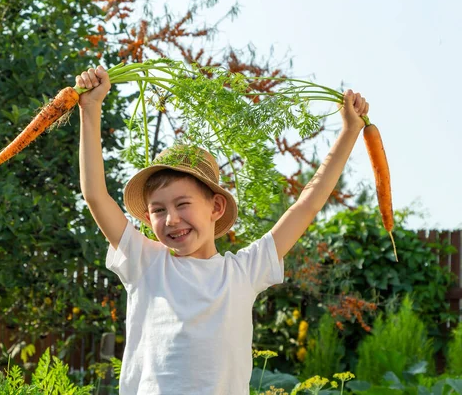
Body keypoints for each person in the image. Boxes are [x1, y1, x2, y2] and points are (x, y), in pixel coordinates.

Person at [76, 65, 369, 394]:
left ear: (216, 207)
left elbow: (306, 205)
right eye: (158, 210)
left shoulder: (243, 271)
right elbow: (95, 195)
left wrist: (348, 133)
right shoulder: (146, 263)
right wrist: (91, 108)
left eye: (183, 205)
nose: (171, 219)